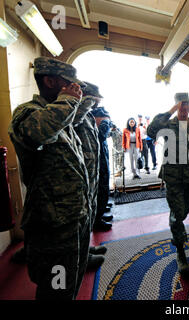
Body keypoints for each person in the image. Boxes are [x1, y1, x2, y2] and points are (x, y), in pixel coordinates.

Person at [8, 57, 90, 299]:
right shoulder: (28, 113)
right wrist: (68, 101)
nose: (76, 89)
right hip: (52, 224)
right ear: (50, 81)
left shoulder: (60, 114)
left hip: (74, 215)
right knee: (56, 288)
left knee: (72, 277)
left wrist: (75, 102)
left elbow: (70, 120)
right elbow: (38, 133)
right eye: (69, 84)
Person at [147, 92, 189, 277]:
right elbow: (151, 130)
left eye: (187, 105)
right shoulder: (168, 124)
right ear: (177, 106)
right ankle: (180, 251)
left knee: (184, 211)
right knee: (177, 214)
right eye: (181, 105)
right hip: (173, 177)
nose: (185, 108)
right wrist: (171, 110)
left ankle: (178, 232)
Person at [74, 81, 108, 266]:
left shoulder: (87, 116)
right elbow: (71, 122)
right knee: (81, 218)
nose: (96, 103)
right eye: (94, 99)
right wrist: (84, 102)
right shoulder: (77, 114)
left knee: (88, 216)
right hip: (81, 176)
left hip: (91, 174)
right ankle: (82, 258)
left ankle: (86, 249)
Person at [91, 107, 113, 232]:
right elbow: (102, 135)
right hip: (97, 163)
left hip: (102, 160)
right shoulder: (94, 126)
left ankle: (100, 214)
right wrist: (106, 122)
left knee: (103, 189)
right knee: (100, 189)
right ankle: (97, 220)